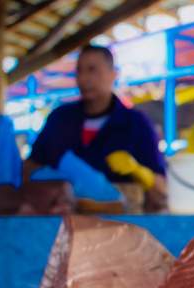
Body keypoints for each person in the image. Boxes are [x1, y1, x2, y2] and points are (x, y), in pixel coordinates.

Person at [24, 44, 167, 211]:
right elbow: (30, 166)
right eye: (79, 71)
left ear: (113, 74)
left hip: (120, 227)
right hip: (60, 225)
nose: (84, 78)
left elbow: (161, 190)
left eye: (92, 70)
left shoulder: (137, 124)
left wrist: (141, 173)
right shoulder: (59, 119)